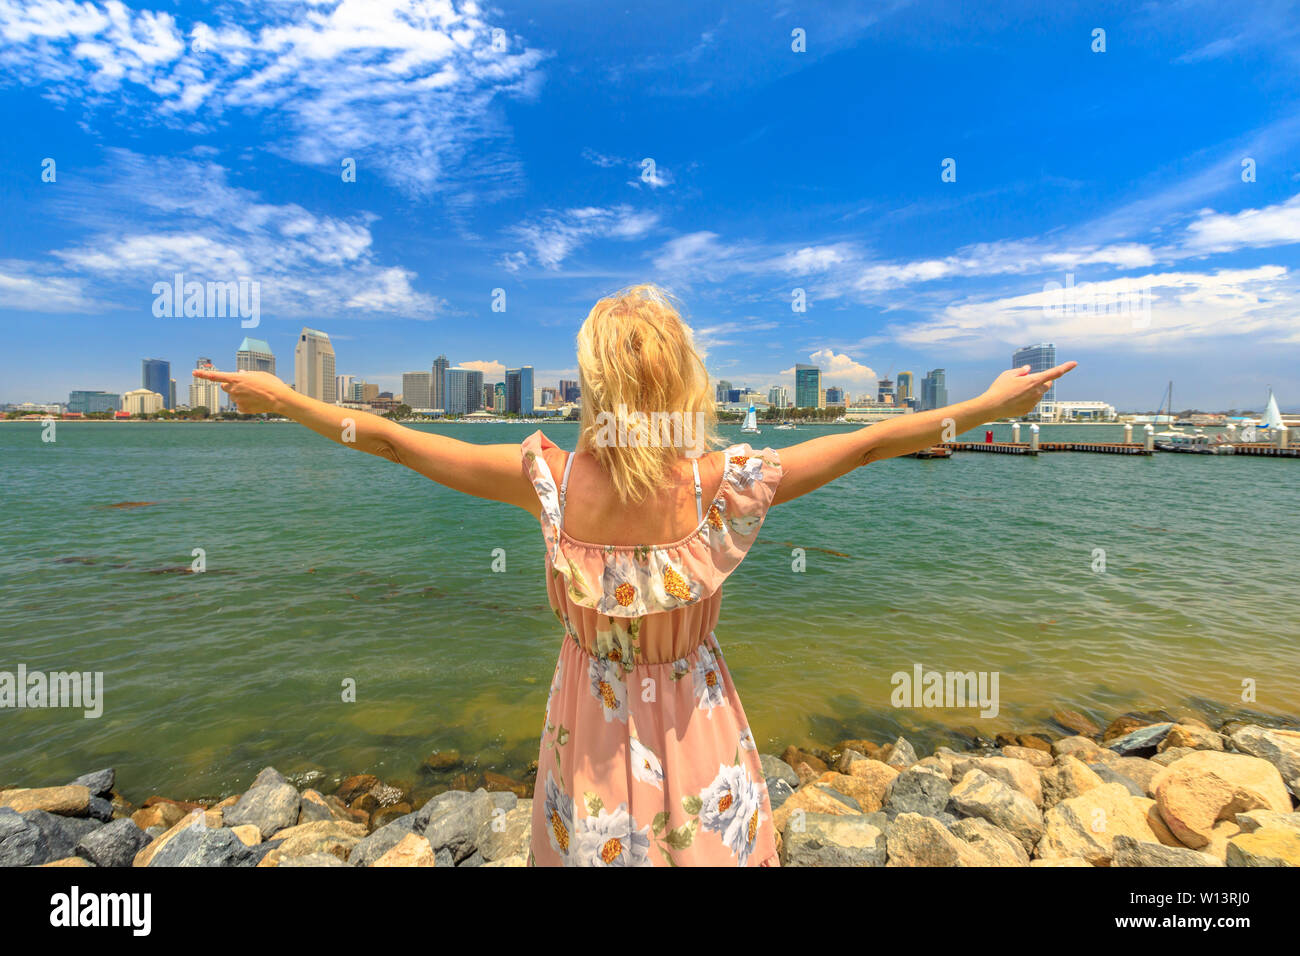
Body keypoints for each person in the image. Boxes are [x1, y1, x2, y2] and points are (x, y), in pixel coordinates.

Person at [194, 283, 1075, 867]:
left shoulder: (545, 476)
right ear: (681, 382)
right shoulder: (721, 483)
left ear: (592, 384)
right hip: (699, 717)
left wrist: (287, 401)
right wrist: (989, 406)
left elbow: (388, 439)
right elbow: (881, 438)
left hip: (588, 718)